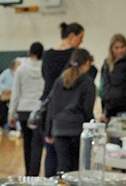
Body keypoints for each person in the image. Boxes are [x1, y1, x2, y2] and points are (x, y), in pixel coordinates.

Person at [40, 22, 85, 177]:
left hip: (49, 108)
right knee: (68, 159)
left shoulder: (46, 55)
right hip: (67, 108)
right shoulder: (75, 55)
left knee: (50, 151)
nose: (81, 41)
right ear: (72, 36)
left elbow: (45, 78)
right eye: (81, 37)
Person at [44, 48, 95, 173]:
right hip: (77, 129)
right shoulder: (88, 83)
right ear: (87, 63)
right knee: (76, 167)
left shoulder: (59, 80)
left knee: (62, 166)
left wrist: (49, 130)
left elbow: (52, 107)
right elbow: (87, 109)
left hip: (59, 128)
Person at [8, 42, 45, 176]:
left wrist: (11, 116)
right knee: (37, 146)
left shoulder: (21, 69)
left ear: (30, 52)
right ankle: (34, 175)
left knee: (27, 145)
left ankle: (28, 175)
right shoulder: (45, 68)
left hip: (23, 110)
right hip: (39, 111)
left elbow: (15, 94)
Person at [0, 58, 20, 136]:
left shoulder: (20, 73)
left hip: (14, 96)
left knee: (13, 113)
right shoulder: (7, 72)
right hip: (5, 95)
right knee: (2, 112)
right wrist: (4, 88)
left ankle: (12, 128)